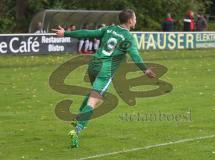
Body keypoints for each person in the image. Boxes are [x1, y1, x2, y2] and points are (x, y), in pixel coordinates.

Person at [52, 9, 156, 148]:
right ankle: (77, 128)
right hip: (104, 70)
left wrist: (66, 33)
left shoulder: (109, 29)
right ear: (130, 21)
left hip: (94, 65)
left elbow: (87, 33)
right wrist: (146, 69)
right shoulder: (128, 38)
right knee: (96, 100)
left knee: (96, 96)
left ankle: (79, 117)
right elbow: (135, 55)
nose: (136, 20)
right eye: (135, 18)